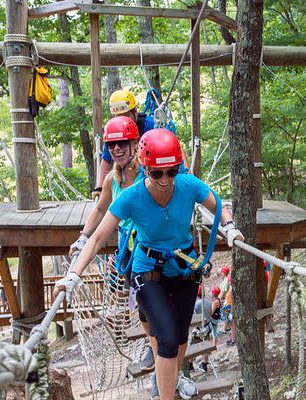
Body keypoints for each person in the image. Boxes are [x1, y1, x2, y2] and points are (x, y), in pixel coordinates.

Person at [55, 128, 243, 400]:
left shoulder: (188, 185)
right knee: (165, 339)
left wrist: (230, 227)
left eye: (172, 172)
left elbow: (217, 206)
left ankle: (171, 380)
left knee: (179, 339)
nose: (166, 180)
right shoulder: (131, 197)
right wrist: (74, 274)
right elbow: (97, 239)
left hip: (184, 269)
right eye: (157, 173)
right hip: (147, 270)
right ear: (145, 169)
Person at [68, 116, 155, 371]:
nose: (116, 149)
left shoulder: (146, 172)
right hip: (127, 250)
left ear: (134, 143)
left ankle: (158, 351)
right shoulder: (111, 180)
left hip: (150, 245)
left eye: (122, 143)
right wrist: (84, 236)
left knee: (152, 301)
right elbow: (99, 210)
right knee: (141, 304)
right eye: (112, 145)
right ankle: (155, 349)